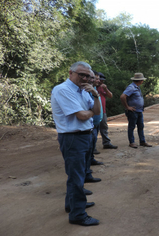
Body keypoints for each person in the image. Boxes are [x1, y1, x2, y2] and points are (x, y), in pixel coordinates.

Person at [51, 61, 100, 226]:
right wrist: (91, 112)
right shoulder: (63, 90)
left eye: (87, 76)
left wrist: (96, 95)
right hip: (72, 138)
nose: (85, 78)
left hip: (84, 136)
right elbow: (81, 116)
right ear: (71, 73)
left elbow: (96, 112)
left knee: (77, 175)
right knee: (76, 177)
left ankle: (72, 205)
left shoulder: (84, 90)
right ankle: (78, 215)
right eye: (82, 75)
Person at [120, 73, 152, 148]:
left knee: (141, 126)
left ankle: (142, 141)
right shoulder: (131, 87)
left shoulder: (137, 87)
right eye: (142, 80)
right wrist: (127, 107)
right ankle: (132, 142)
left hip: (139, 111)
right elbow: (122, 97)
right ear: (140, 80)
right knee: (132, 126)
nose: (143, 81)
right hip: (133, 111)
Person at [97, 72, 118, 149]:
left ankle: (106, 143)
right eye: (100, 80)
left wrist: (105, 89)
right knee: (94, 129)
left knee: (104, 127)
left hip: (103, 111)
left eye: (102, 80)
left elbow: (110, 96)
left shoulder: (103, 87)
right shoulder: (91, 87)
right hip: (94, 112)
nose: (101, 82)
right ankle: (92, 147)